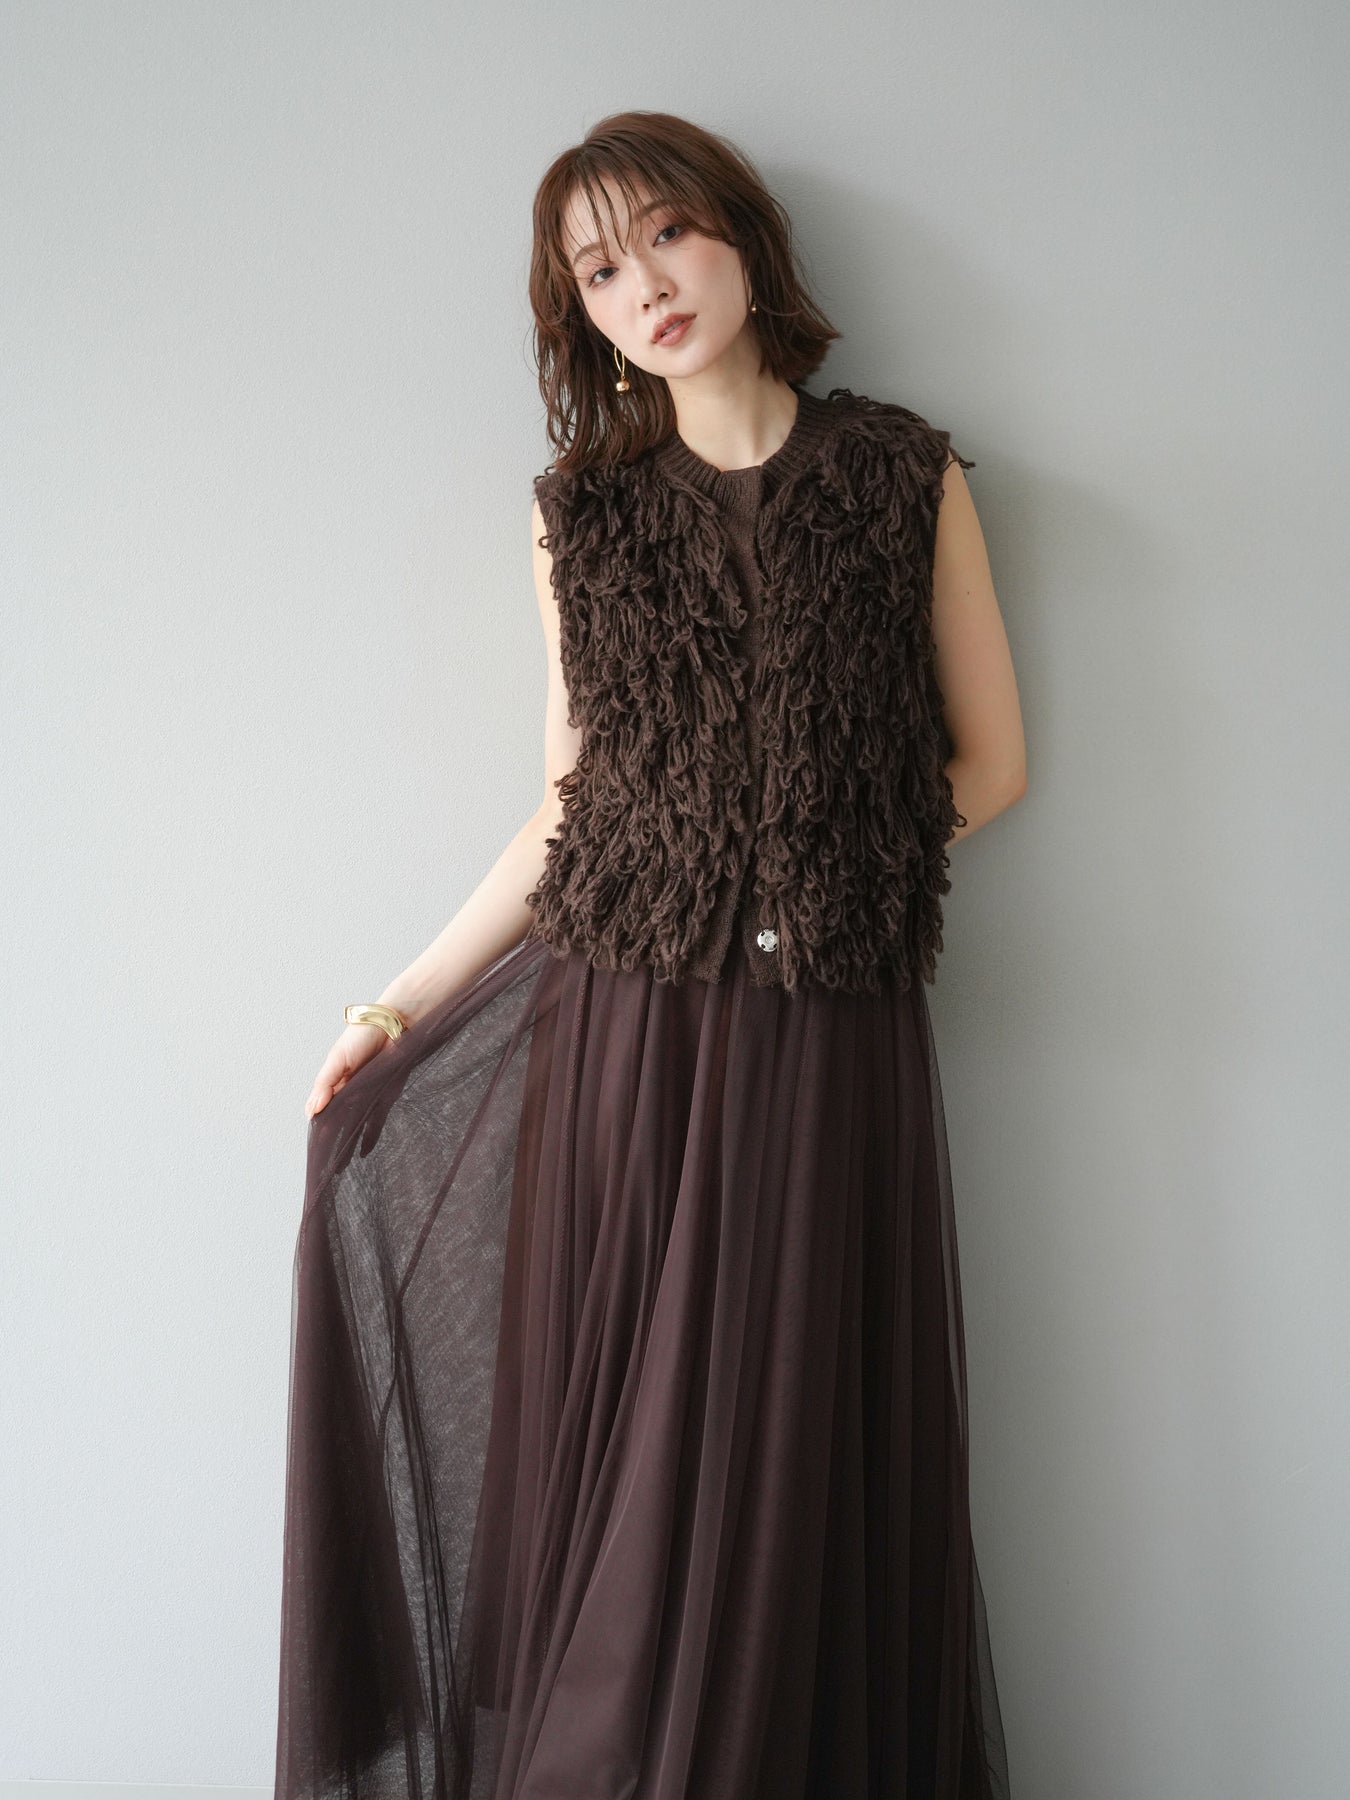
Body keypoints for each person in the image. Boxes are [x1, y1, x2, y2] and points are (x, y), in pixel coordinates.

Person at [275, 109, 1024, 1800]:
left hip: (827, 1034)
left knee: (787, 1459)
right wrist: (397, 1004)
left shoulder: (903, 475)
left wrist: (816, 871)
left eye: (668, 237)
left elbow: (991, 764)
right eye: (599, 274)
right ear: (583, 320)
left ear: (742, 238)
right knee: (637, 1481)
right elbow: (569, 811)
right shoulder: (583, 519)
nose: (646, 288)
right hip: (631, 1039)